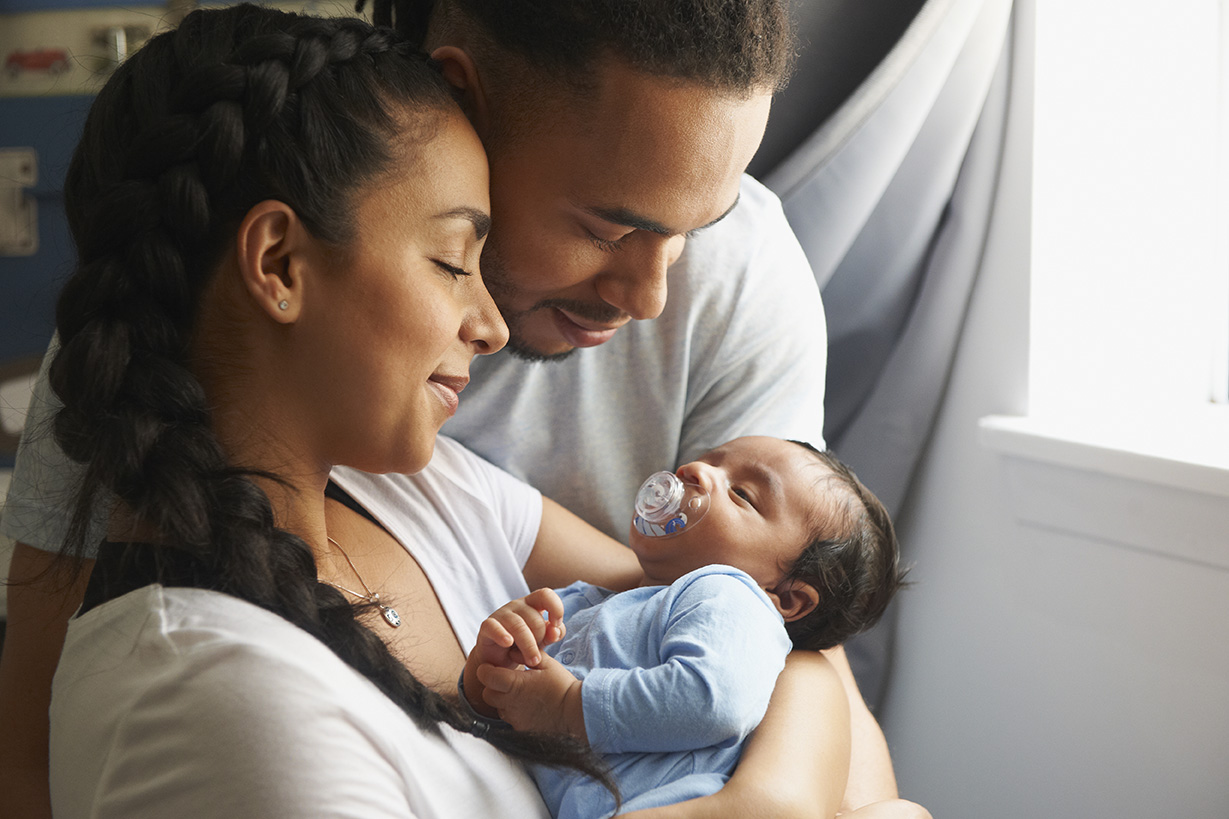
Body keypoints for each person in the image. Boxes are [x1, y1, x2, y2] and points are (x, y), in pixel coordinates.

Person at [0, 0, 920, 816]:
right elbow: (44, 756)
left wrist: (779, 797)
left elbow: (786, 597)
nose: (649, 295)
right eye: (606, 227)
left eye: (690, 234)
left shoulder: (448, 488)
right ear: (460, 108)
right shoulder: (164, 342)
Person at [38, 7, 619, 817]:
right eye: (453, 261)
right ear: (279, 262)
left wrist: (777, 788)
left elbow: (746, 597)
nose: (489, 325)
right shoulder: (211, 691)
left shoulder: (421, 497)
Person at [462, 437, 914, 818]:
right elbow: (511, 715)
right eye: (711, 459)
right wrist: (491, 670)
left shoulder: (729, 595)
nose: (696, 469)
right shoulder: (589, 600)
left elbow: (711, 700)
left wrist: (570, 705)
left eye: (742, 495)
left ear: (788, 597)